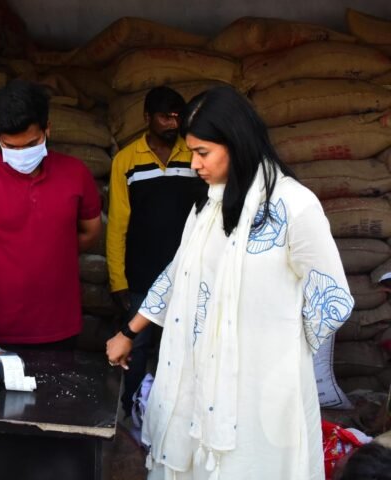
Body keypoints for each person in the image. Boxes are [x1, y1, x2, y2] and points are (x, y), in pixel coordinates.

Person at [106, 87, 354, 479]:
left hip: (260, 395)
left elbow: (334, 300)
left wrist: (277, 355)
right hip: (198, 381)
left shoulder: (294, 206)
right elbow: (178, 274)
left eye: (202, 152)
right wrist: (129, 330)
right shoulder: (207, 205)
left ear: (236, 143)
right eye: (192, 153)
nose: (195, 164)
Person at [0, 79, 102, 350]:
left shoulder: (76, 173)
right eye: (11, 146)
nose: (21, 154)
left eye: (30, 144)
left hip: (60, 328)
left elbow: (90, 232)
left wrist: (52, 251)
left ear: (47, 130)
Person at [106, 86, 207, 419]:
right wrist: (117, 279)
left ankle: (172, 416)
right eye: (165, 116)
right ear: (147, 118)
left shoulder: (193, 157)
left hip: (188, 272)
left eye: (177, 117)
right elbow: (118, 224)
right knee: (136, 346)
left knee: (180, 347)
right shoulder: (127, 160)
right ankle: (130, 408)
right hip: (141, 274)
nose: (172, 124)